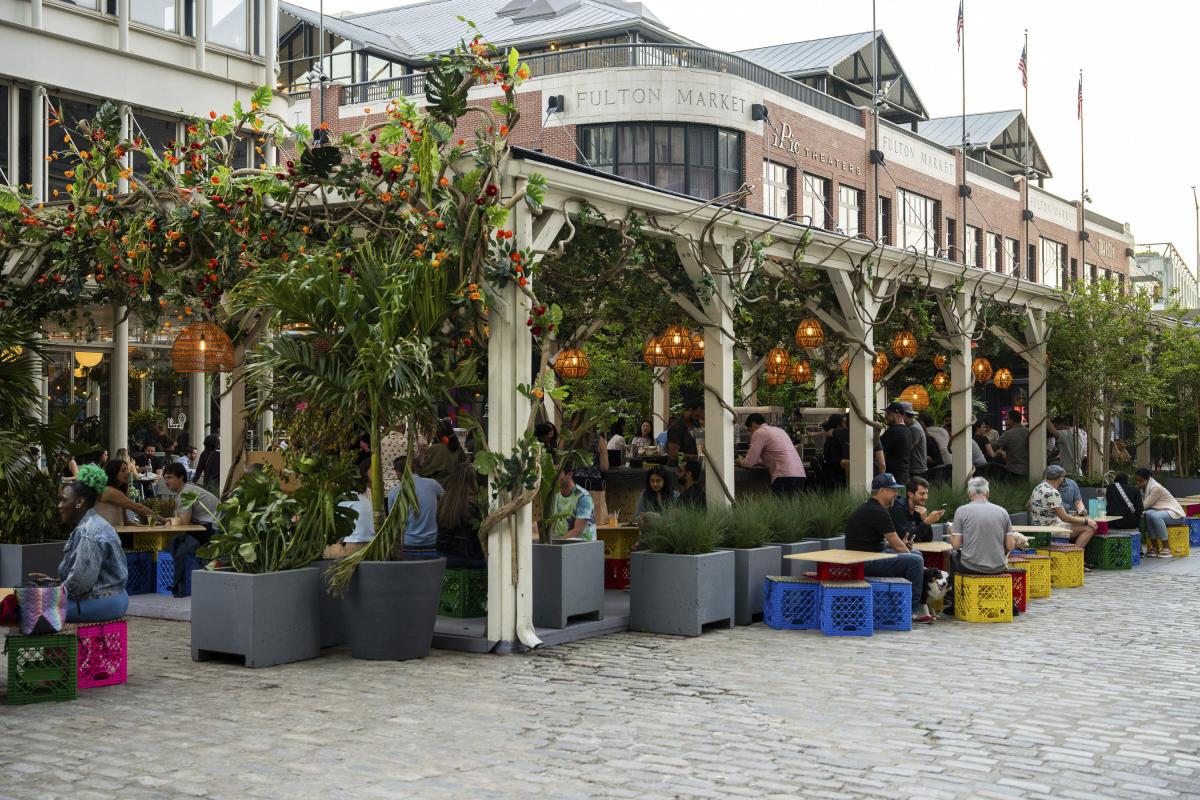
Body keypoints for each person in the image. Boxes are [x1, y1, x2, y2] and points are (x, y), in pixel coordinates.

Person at [44, 465, 129, 622]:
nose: (59, 506)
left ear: (79, 502)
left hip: (101, 601)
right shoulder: (94, 524)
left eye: (63, 500)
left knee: (29, 608)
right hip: (117, 596)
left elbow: (79, 585)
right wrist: (54, 582)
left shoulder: (89, 532)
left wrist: (51, 592)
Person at [844, 473, 931, 625]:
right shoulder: (878, 511)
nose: (896, 494)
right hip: (864, 561)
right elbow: (898, 545)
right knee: (915, 560)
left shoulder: (871, 508)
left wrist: (897, 547)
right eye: (893, 490)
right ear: (882, 491)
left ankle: (901, 603)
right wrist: (918, 564)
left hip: (867, 555)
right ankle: (912, 610)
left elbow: (874, 543)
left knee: (915, 554)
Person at [161, 462, 220, 597]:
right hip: (209, 527)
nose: (166, 481)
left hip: (213, 530)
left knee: (178, 541)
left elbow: (183, 523)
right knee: (179, 541)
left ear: (181, 477)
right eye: (165, 478)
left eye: (169, 477)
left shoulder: (186, 493)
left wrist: (168, 522)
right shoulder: (187, 490)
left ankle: (178, 583)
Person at [950, 476, 1016, 581]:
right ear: (988, 493)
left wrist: (952, 533)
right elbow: (1010, 545)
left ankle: (954, 595)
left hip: (971, 567)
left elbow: (956, 545)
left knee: (954, 555)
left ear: (969, 494)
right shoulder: (1002, 511)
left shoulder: (961, 511)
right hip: (998, 567)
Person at [1028, 465, 1097, 553]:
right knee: (1089, 528)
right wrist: (1087, 521)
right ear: (1060, 477)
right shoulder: (1053, 492)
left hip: (1037, 526)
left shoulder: (1037, 488)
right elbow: (1064, 518)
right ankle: (1072, 557)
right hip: (1050, 528)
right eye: (1063, 477)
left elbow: (1027, 506)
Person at [737, 412, 806, 495]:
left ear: (753, 424)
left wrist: (740, 461)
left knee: (781, 507)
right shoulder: (780, 431)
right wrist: (758, 462)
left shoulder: (759, 432)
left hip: (783, 477)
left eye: (749, 429)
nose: (751, 433)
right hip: (800, 474)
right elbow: (778, 456)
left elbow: (749, 463)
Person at [436, 462, 485, 568]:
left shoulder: (444, 500)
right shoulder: (473, 502)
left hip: (443, 556)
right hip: (466, 558)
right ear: (473, 480)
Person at [1135, 467, 1185, 558]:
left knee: (1155, 516)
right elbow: (1144, 509)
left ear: (1147, 479)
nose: (1138, 483)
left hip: (1175, 514)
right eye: (1137, 481)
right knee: (1148, 514)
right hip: (1163, 512)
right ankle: (1155, 547)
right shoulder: (1145, 488)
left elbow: (1143, 506)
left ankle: (1167, 548)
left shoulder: (1155, 488)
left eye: (1141, 481)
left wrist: (1134, 491)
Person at [94, 459, 155, 527]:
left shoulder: (117, 491)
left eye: (127, 470)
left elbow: (125, 521)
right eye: (123, 470)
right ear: (114, 473)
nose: (128, 473)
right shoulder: (109, 491)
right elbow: (138, 508)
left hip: (115, 533)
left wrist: (145, 528)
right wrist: (163, 519)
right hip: (106, 534)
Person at [890, 476, 945, 544]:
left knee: (946, 551)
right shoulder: (898, 508)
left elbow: (927, 540)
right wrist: (927, 521)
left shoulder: (919, 508)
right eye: (922, 494)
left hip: (913, 548)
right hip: (898, 549)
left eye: (926, 493)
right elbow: (906, 537)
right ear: (910, 494)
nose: (925, 497)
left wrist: (924, 519)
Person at [552, 459, 596, 540]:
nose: (553, 475)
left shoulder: (583, 497)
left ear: (569, 474)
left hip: (581, 543)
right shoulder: (556, 494)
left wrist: (557, 543)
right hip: (562, 540)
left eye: (557, 472)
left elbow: (578, 531)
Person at [420, 418, 467, 485]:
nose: (432, 430)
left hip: (439, 487)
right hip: (456, 487)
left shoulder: (435, 449)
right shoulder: (458, 448)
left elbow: (425, 472)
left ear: (439, 431)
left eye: (434, 428)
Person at [879, 402, 911, 484]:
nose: (886, 417)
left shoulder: (894, 431)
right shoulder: (907, 430)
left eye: (889, 414)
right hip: (903, 474)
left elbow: (877, 448)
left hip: (894, 477)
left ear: (897, 415)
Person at [993, 410, 1030, 480]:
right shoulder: (1028, 431)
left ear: (1011, 420)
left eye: (1006, 418)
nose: (1005, 421)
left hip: (1012, 471)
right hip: (1028, 470)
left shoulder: (1008, 434)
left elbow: (994, 447)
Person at [901, 403, 928, 480]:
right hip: (916, 468)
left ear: (904, 415)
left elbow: (908, 449)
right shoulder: (912, 425)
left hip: (917, 469)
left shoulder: (914, 428)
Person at [821, 414, 846, 486]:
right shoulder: (834, 440)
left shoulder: (832, 438)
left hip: (831, 476)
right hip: (836, 480)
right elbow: (837, 460)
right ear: (838, 425)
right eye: (844, 422)